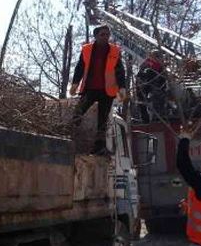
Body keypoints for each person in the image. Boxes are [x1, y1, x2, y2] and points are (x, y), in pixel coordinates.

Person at [69, 25, 128, 154]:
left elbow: (120, 71)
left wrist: (122, 87)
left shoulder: (114, 51)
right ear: (95, 36)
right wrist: (75, 83)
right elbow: (80, 67)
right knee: (78, 112)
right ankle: (69, 136)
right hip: (90, 89)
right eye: (102, 34)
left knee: (102, 121)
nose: (106, 37)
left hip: (107, 92)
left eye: (107, 34)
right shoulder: (87, 49)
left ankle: (99, 147)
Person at [136, 50, 168, 121]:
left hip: (154, 86)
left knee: (159, 100)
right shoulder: (147, 65)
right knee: (144, 103)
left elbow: (162, 79)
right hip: (145, 86)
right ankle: (148, 118)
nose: (160, 59)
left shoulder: (160, 66)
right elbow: (142, 76)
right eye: (158, 57)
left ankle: (158, 117)